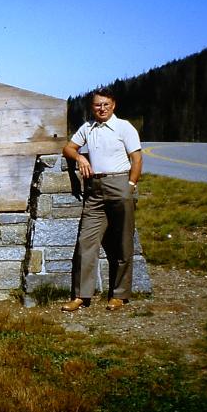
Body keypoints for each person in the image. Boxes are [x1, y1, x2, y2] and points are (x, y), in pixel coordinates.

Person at [61, 87, 142, 311]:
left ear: (113, 105)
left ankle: (119, 295)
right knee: (86, 243)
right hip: (95, 190)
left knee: (123, 244)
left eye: (106, 104)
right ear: (92, 107)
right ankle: (81, 295)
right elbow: (68, 147)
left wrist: (131, 185)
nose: (102, 108)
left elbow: (136, 158)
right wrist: (79, 157)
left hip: (119, 185)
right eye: (98, 104)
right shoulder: (88, 128)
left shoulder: (124, 127)